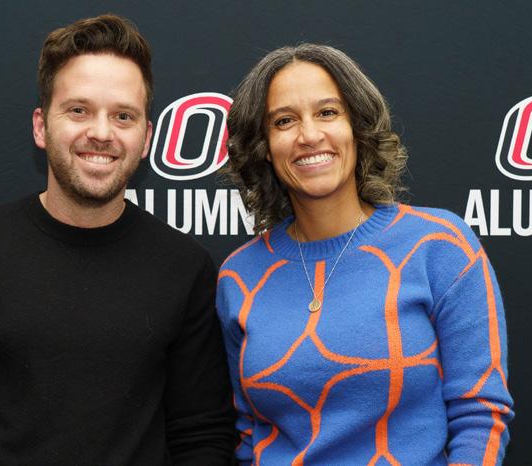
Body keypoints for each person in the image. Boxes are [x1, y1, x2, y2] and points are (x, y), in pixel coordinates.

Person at [0, 14, 236, 466]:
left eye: (123, 116)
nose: (101, 133)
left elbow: (202, 437)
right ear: (41, 126)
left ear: (147, 137)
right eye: (78, 110)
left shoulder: (185, 267)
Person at [217, 44, 513, 465]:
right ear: (264, 145)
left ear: (357, 126)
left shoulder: (438, 245)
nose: (309, 135)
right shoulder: (239, 276)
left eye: (327, 112)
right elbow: (247, 435)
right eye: (284, 121)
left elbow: (480, 415)